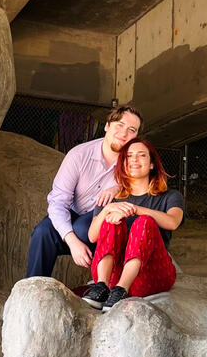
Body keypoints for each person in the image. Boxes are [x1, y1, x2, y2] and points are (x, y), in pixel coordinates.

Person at [25, 105, 142, 277]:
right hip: (75, 214)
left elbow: (146, 190)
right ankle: (33, 291)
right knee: (43, 232)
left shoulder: (136, 160)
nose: (124, 134)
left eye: (131, 130)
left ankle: (112, 284)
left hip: (109, 224)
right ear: (107, 126)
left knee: (82, 228)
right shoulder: (79, 155)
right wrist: (72, 242)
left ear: (136, 136)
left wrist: (118, 188)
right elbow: (58, 203)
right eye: (119, 125)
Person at [82, 137, 184, 312]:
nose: (134, 160)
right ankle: (102, 287)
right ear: (123, 163)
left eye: (141, 155)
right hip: (113, 274)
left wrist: (136, 209)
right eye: (129, 156)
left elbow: (173, 222)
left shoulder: (171, 196)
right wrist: (108, 210)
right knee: (112, 221)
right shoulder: (110, 198)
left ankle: (121, 289)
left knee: (144, 222)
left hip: (150, 275)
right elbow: (92, 236)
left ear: (152, 164)